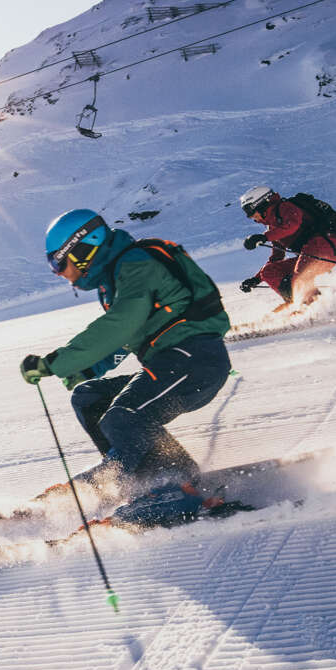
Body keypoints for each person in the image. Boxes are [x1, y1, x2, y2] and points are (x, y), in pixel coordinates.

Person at [19, 209, 232, 511]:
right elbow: (128, 339)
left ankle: (172, 485)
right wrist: (90, 368)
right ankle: (142, 480)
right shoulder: (114, 279)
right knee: (89, 398)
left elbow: (123, 322)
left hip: (195, 359)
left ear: (83, 248)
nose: (58, 272)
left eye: (58, 261)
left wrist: (56, 362)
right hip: (170, 362)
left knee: (124, 414)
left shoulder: (135, 264)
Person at [237, 185, 336, 312]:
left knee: (300, 276)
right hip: (308, 254)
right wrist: (256, 279)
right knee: (269, 271)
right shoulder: (273, 228)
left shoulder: (285, 207)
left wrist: (265, 237)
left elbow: (292, 225)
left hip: (324, 245)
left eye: (249, 211)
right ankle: (299, 300)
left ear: (260, 204)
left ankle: (313, 306)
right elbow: (276, 257)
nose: (250, 217)